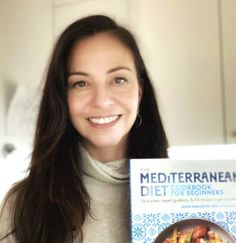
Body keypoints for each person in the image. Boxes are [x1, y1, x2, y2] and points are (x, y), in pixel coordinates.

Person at [0, 15, 168, 243]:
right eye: (80, 83)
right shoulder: (23, 206)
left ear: (139, 91)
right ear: (62, 98)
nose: (101, 100)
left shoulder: (185, 198)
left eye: (118, 80)